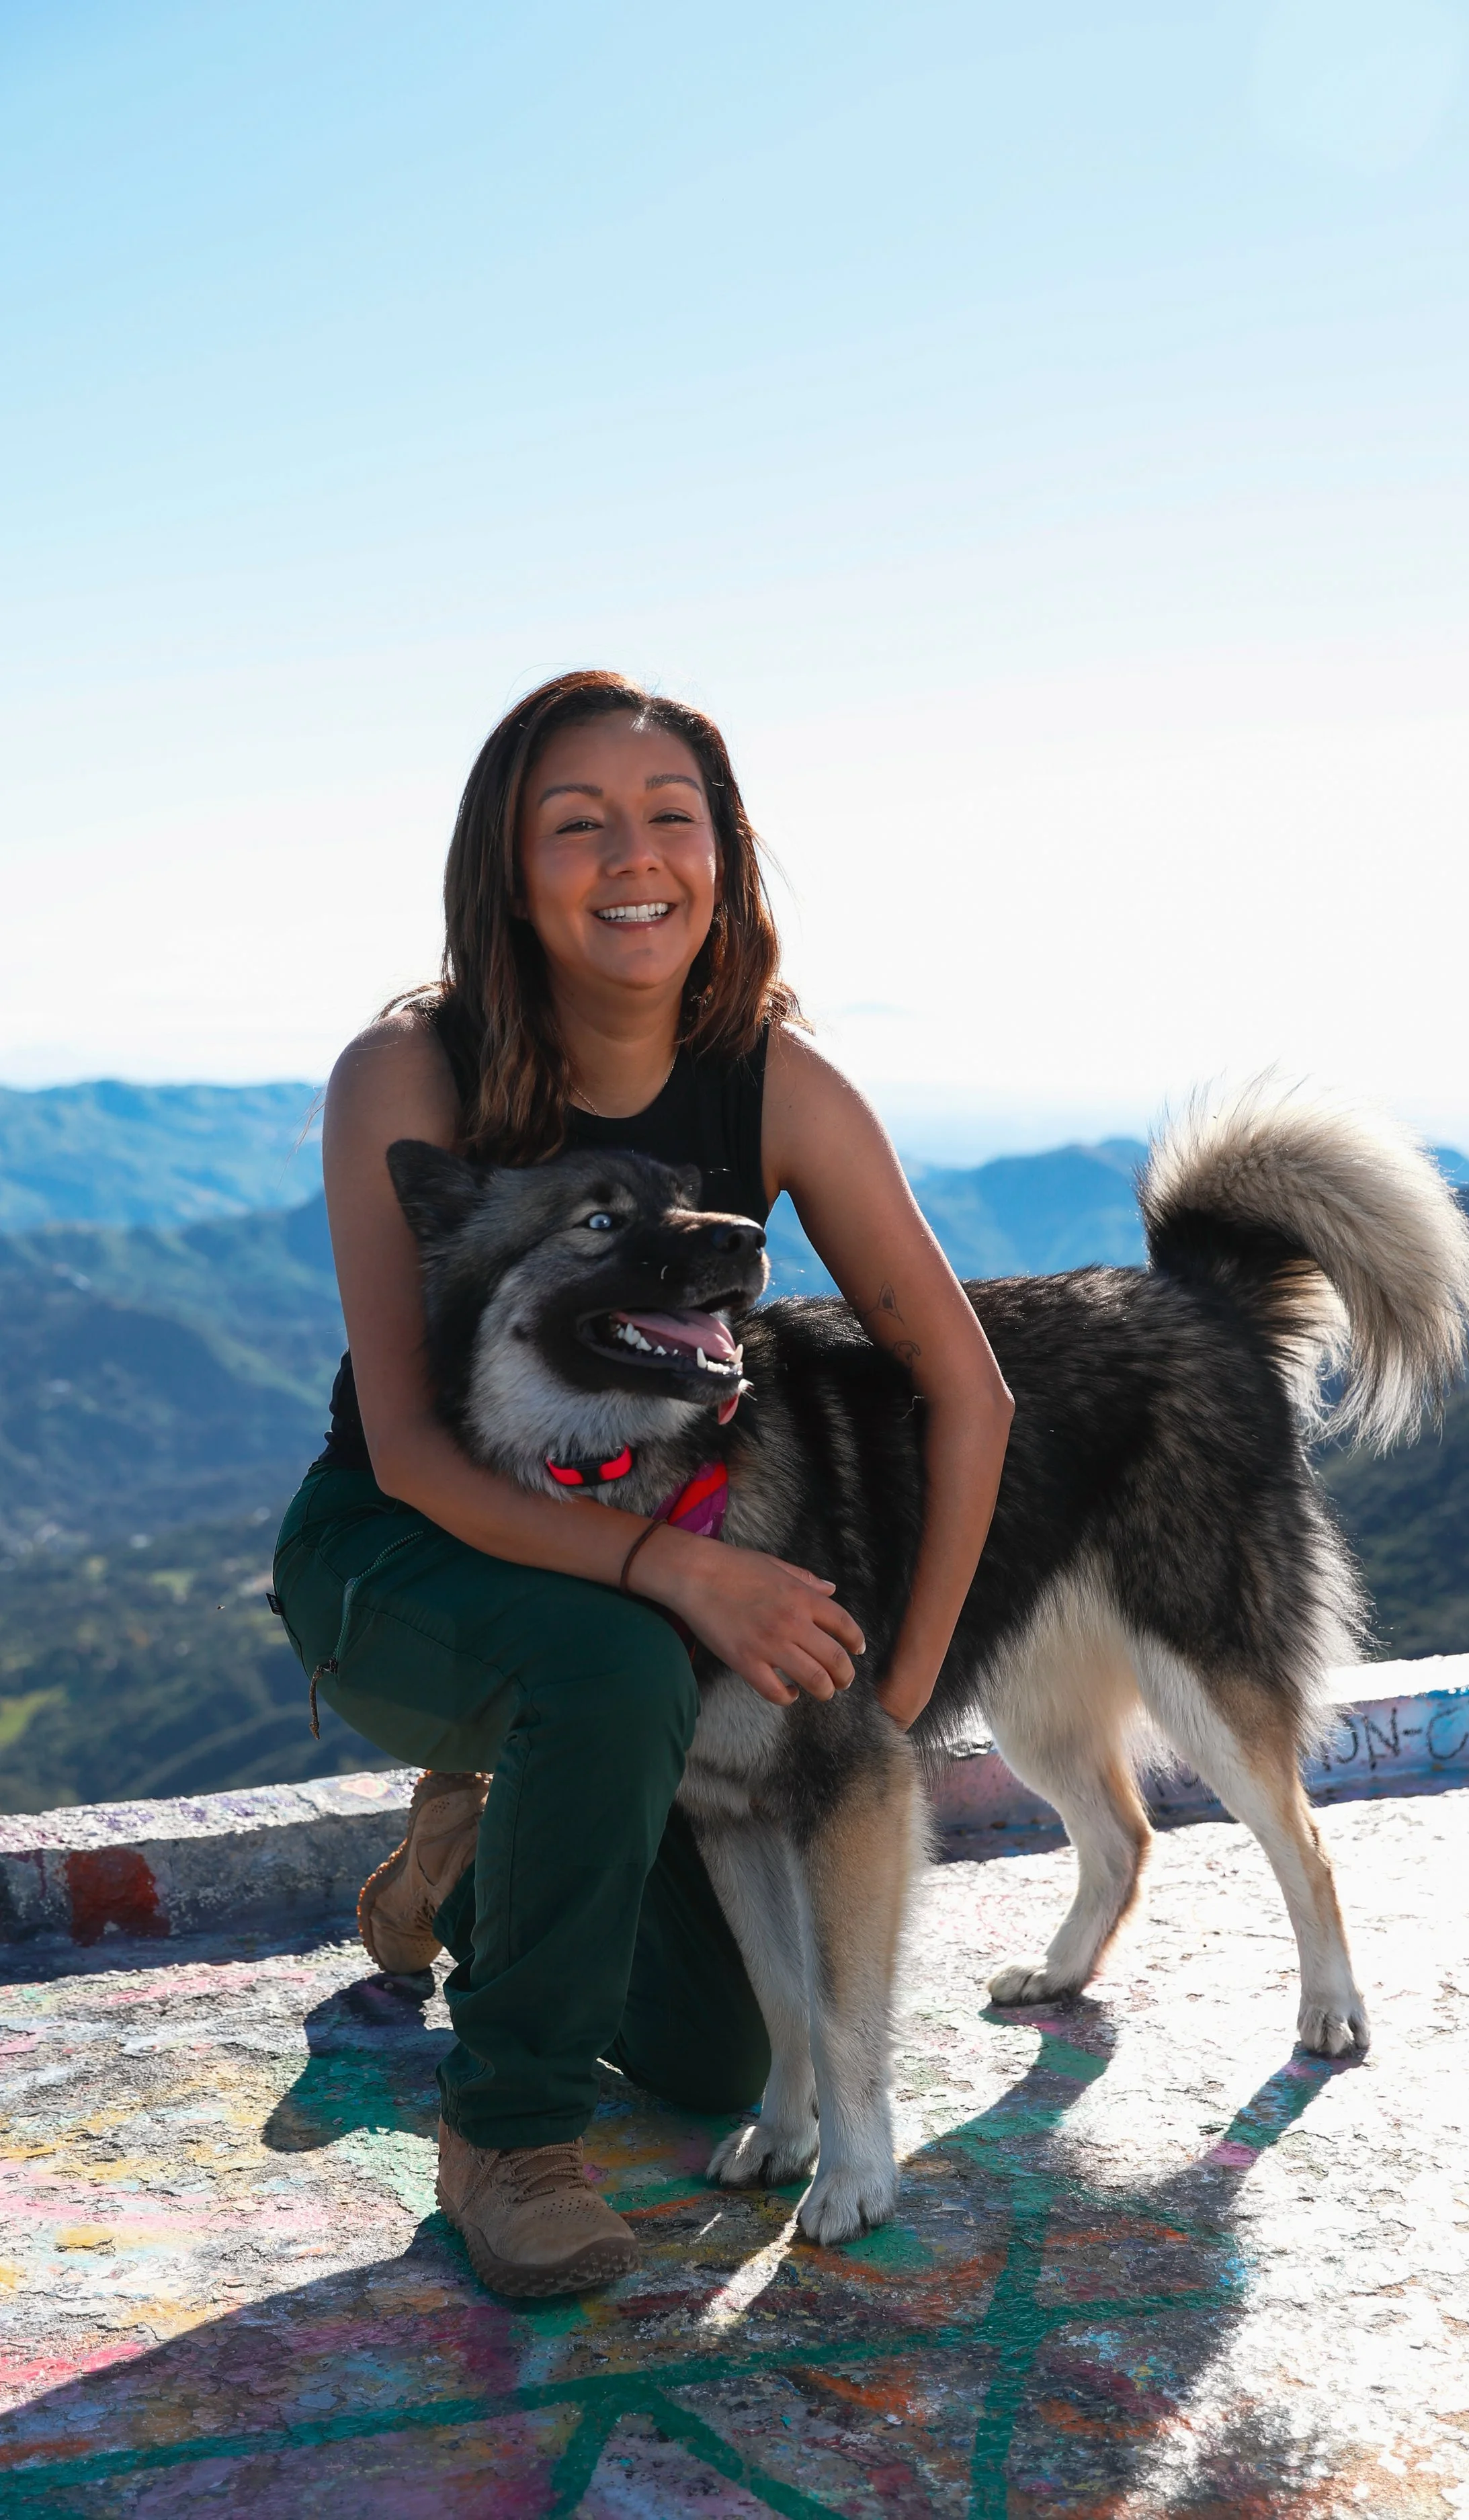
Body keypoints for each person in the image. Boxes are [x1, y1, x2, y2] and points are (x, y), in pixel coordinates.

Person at [272, 670, 1013, 2298]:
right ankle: (508, 2135)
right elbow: (408, 1450)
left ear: (724, 857)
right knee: (611, 1661)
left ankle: (469, 1865)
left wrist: (894, 1694)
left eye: (672, 817)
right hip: (398, 1563)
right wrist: (682, 1579)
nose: (635, 856)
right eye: (578, 821)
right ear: (507, 865)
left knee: (707, 2059)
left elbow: (965, 1387)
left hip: (634, 1565)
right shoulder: (408, 1071)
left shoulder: (775, 1082)